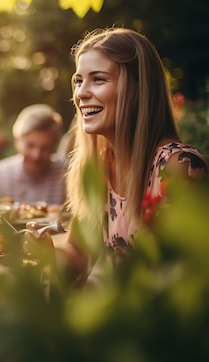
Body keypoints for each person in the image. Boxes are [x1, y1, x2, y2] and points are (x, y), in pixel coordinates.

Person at [57, 27, 209, 285]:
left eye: (98, 79)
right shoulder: (100, 166)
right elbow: (77, 253)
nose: (81, 93)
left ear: (138, 89)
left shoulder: (179, 168)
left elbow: (181, 285)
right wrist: (33, 255)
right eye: (79, 80)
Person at [0, 103, 67, 207]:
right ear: (17, 142)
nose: (36, 155)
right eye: (30, 145)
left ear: (54, 147)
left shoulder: (66, 172)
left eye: (45, 148)